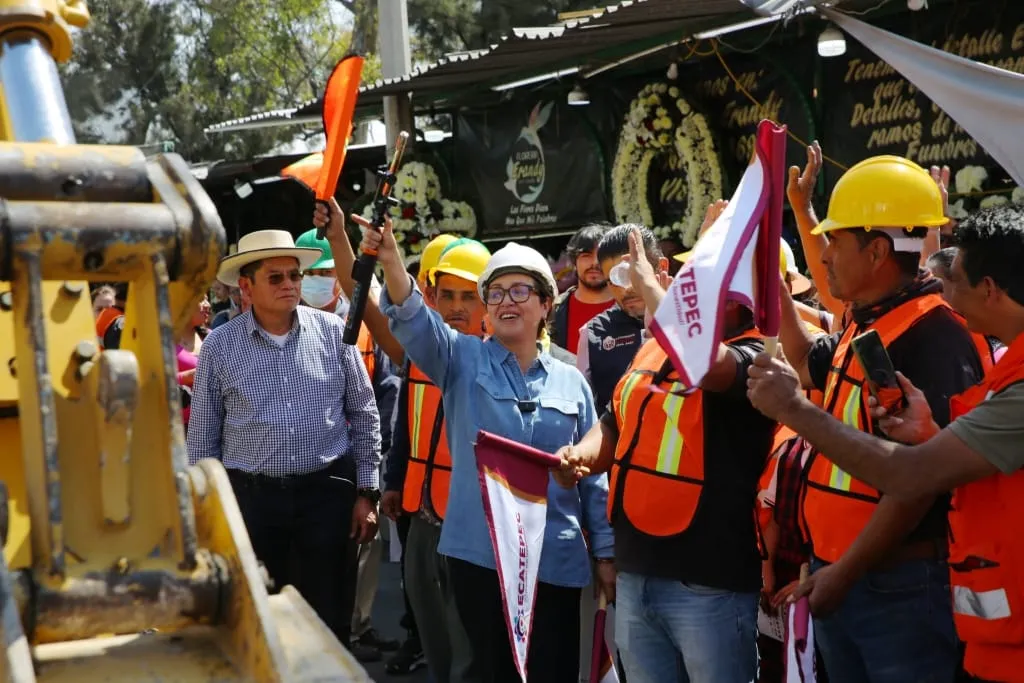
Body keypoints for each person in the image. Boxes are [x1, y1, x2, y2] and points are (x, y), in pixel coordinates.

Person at [746, 203, 1024, 683]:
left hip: (913, 595)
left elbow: (914, 477)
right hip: (985, 626)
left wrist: (793, 410)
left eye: (952, 278)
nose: (942, 289)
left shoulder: (941, 335)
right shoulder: (871, 323)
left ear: (990, 290)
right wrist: (929, 437)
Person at [367, 218, 615, 683]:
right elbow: (413, 317)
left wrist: (605, 553)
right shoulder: (459, 359)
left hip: (555, 562)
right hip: (480, 560)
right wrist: (390, 260)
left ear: (546, 305)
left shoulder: (572, 382)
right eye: (496, 293)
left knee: (553, 672)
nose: (506, 301)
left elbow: (594, 480)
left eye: (520, 291)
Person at [557, 227, 776, 683]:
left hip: (709, 582)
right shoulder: (653, 348)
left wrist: (650, 286)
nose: (695, 286)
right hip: (637, 571)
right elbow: (615, 424)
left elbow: (701, 361)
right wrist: (581, 455)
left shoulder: (757, 355)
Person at [185, 229, 382, 643]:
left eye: (294, 275)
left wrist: (367, 491)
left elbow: (364, 415)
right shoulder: (219, 347)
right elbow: (203, 442)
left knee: (328, 619)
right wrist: (207, 515)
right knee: (259, 620)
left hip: (326, 496)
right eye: (275, 277)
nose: (290, 285)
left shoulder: (334, 332)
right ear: (246, 287)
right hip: (252, 502)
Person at [383, 238, 491, 681]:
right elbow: (405, 428)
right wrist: (393, 481)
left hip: (470, 524)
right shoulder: (421, 354)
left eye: (469, 296)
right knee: (433, 636)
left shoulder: (499, 359)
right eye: (446, 295)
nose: (456, 307)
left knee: (471, 645)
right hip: (421, 516)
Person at [576, 224, 665, 413]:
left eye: (634, 274)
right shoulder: (592, 333)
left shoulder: (693, 320)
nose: (627, 288)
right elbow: (585, 413)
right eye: (616, 279)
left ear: (661, 266)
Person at [549, 224, 615, 354]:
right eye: (586, 255)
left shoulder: (632, 307)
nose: (595, 262)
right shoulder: (553, 310)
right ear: (574, 262)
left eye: (602, 256)